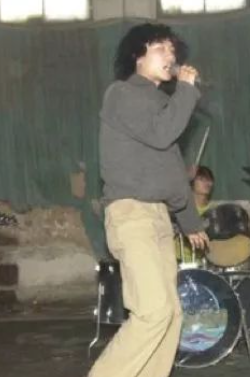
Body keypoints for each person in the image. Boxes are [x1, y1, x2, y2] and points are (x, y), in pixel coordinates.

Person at [91, 23, 209, 377]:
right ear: (137, 56)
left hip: (158, 218)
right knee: (153, 311)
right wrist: (185, 91)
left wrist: (189, 221)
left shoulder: (163, 105)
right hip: (131, 214)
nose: (170, 56)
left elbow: (171, 171)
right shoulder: (122, 93)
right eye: (160, 48)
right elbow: (161, 134)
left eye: (172, 50)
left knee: (171, 315)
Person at [175, 166, 215, 263]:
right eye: (201, 179)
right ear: (191, 182)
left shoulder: (214, 211)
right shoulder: (181, 209)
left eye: (209, 180)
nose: (207, 183)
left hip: (204, 262)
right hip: (178, 259)